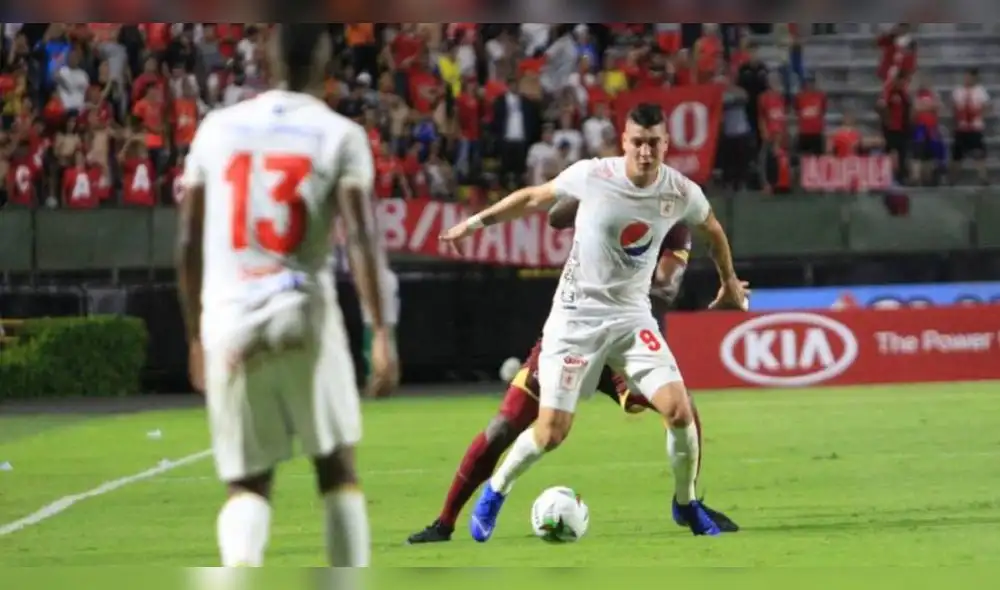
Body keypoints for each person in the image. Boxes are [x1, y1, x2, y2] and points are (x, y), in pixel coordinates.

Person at [439, 103, 747, 540]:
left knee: (680, 411)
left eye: (653, 143)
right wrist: (473, 224)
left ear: (666, 144)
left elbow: (713, 229)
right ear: (624, 142)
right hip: (574, 320)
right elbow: (532, 198)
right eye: (637, 142)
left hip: (631, 318)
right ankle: (496, 489)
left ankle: (686, 504)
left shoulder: (680, 191)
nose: (645, 152)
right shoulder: (593, 174)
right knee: (551, 432)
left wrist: (730, 282)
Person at [174, 24, 398, 568]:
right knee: (336, 469)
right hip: (303, 310)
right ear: (326, 67)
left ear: (264, 63)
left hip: (230, 318)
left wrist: (196, 338)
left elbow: (186, 245)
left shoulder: (217, 128)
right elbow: (363, 239)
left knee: (248, 484)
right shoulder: (339, 134)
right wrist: (381, 330)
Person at [407, 221, 725, 544]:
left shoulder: (671, 220)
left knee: (681, 407)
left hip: (624, 338)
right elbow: (552, 210)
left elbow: (667, 287)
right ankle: (445, 522)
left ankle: (685, 503)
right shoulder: (602, 191)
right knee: (506, 427)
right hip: (574, 333)